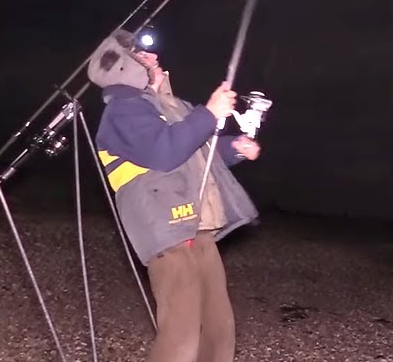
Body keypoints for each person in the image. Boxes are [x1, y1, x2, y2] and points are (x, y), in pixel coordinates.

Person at [86, 29, 262, 362]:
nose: (153, 58)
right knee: (181, 334)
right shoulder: (124, 110)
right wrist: (209, 113)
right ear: (123, 67)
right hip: (166, 230)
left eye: (152, 54)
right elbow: (164, 152)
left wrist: (235, 147)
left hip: (199, 227)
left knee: (218, 328)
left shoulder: (174, 106)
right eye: (141, 55)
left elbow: (200, 152)